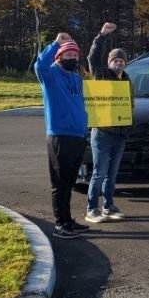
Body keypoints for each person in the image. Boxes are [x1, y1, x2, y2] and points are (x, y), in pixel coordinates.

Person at [36, 33, 90, 239]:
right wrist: (55, 44)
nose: (73, 58)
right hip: (59, 136)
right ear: (58, 56)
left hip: (77, 136)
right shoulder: (50, 75)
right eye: (68, 54)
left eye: (75, 55)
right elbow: (39, 66)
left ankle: (68, 220)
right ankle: (60, 225)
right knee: (59, 183)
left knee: (69, 183)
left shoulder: (77, 78)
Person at [85, 22, 131, 223]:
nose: (118, 63)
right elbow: (92, 58)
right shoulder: (101, 74)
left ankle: (108, 206)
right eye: (115, 60)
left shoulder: (127, 80)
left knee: (111, 175)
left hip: (120, 133)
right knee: (99, 173)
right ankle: (91, 209)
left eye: (121, 60)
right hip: (102, 131)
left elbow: (129, 106)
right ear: (109, 62)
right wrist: (102, 35)